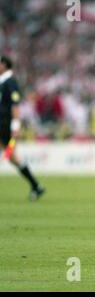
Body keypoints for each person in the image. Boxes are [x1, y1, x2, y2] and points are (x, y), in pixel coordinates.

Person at [0, 55, 45, 200]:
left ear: (4, 65)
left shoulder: (10, 82)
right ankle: (36, 186)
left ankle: (36, 185)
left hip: (5, 124)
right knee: (11, 156)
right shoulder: (3, 82)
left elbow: (15, 104)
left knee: (11, 155)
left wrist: (15, 125)